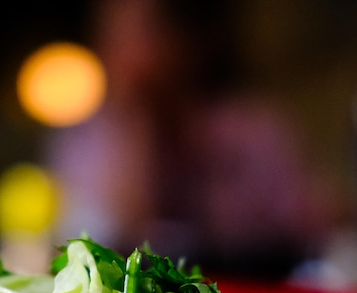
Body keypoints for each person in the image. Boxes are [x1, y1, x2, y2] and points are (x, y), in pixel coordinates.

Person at [44, 0, 337, 278]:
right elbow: (107, 244)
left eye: (144, 32)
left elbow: (313, 230)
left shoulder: (249, 129)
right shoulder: (86, 140)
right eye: (110, 33)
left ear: (188, 42)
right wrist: (136, 133)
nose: (122, 53)